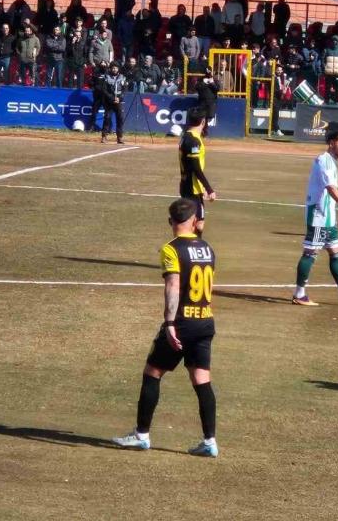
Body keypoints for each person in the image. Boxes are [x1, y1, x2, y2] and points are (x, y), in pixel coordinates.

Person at [112, 198, 219, 458]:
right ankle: (210, 441)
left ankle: (141, 435)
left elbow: (173, 286)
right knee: (201, 380)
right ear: (194, 221)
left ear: (171, 221)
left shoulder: (171, 249)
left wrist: (170, 323)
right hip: (205, 321)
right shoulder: (207, 248)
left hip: (182, 323)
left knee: (153, 372)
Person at [291, 127, 338, 307]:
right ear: (332, 143)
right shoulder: (324, 160)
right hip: (319, 215)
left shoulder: (331, 161)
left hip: (328, 218)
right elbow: (330, 187)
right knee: (310, 253)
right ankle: (299, 295)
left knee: (336, 253)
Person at [178, 108, 217, 236]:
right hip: (192, 188)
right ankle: (193, 246)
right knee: (198, 224)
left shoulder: (186, 136)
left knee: (193, 222)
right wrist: (209, 189)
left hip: (187, 185)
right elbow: (195, 167)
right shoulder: (193, 141)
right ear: (203, 122)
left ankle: (190, 245)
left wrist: (202, 188)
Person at [101, 62, 126, 144]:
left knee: (120, 118)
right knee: (107, 118)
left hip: (118, 101)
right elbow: (104, 90)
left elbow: (124, 90)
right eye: (113, 68)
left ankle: (120, 137)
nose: (114, 69)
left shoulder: (122, 77)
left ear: (118, 69)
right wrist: (111, 98)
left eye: (116, 68)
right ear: (110, 69)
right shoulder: (106, 77)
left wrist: (119, 98)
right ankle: (104, 136)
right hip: (109, 101)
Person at [195, 66, 220, 136]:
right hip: (202, 101)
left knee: (209, 116)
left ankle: (204, 130)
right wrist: (203, 82)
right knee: (201, 116)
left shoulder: (214, 79)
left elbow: (217, 89)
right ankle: (202, 131)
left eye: (209, 71)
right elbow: (197, 87)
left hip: (211, 102)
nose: (208, 72)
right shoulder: (201, 80)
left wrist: (212, 83)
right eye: (207, 71)